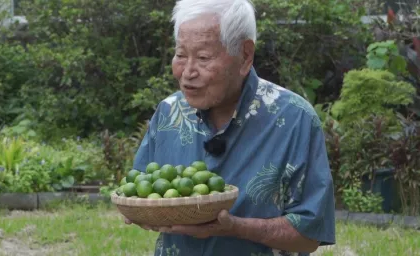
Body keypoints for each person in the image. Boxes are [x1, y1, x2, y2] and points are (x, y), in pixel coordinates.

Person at [126, 0, 336, 255]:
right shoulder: (169, 112)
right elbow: (139, 193)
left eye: (203, 57)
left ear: (245, 55)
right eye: (181, 55)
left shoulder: (295, 119)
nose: (187, 72)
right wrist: (139, 212)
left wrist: (234, 227)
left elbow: (309, 235)